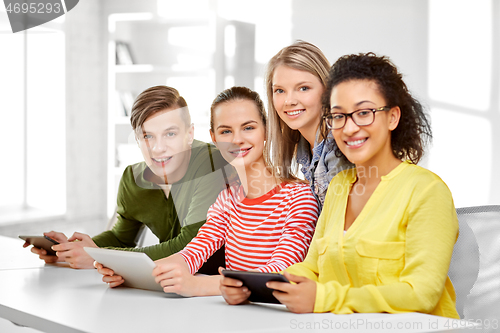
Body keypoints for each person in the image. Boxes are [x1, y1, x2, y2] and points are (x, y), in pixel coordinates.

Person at [221, 53, 460, 319]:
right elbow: (311, 267)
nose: (349, 128)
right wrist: (259, 287)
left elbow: (422, 293)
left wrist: (324, 297)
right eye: (338, 116)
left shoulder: (426, 191)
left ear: (392, 117)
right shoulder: (338, 187)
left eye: (364, 113)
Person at [97, 86, 319, 295]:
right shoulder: (227, 200)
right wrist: (128, 273)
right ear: (214, 138)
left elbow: (282, 273)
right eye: (226, 131)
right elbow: (191, 255)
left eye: (248, 127)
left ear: (266, 130)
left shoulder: (300, 197)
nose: (237, 139)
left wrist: (201, 284)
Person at [24, 86, 231, 273]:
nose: (158, 148)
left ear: (189, 133)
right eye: (147, 136)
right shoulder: (133, 179)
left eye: (170, 134)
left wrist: (98, 257)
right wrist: (70, 250)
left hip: (222, 288)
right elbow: (121, 238)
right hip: (171, 286)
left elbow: (188, 245)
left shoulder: (212, 163)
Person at [265, 40, 352, 210]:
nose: (289, 101)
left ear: (327, 89)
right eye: (280, 91)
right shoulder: (304, 147)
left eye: (303, 88)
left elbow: (343, 226)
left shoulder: (337, 143)